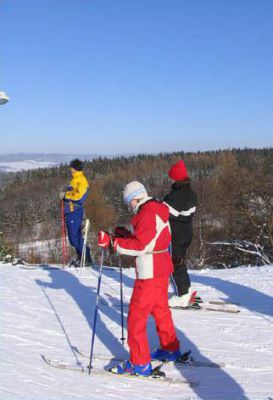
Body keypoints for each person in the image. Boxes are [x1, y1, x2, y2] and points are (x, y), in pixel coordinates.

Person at [97, 181, 181, 377]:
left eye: (129, 203)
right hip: (161, 268)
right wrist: (124, 236)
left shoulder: (147, 213)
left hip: (150, 272)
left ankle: (140, 363)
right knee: (160, 310)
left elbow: (141, 246)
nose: (130, 207)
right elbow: (150, 238)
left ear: (135, 199)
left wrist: (112, 242)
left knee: (136, 317)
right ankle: (170, 348)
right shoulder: (157, 207)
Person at [163, 160, 198, 308]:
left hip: (175, 235)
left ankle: (182, 295)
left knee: (173, 265)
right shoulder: (191, 194)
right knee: (180, 262)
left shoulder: (174, 197)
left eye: (172, 177)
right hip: (187, 233)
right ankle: (186, 290)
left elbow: (161, 212)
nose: (170, 180)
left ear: (176, 178)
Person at [60, 159, 92, 267]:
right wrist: (65, 196)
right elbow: (72, 193)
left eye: (72, 168)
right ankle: (81, 258)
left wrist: (66, 196)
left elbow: (80, 196)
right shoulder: (74, 180)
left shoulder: (81, 180)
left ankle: (86, 258)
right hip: (70, 210)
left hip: (75, 211)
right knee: (74, 237)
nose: (70, 170)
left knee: (74, 238)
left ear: (75, 168)